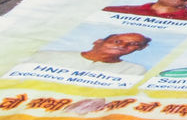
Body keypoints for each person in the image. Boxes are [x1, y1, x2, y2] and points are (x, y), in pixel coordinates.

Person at [21, 33, 151, 76]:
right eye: (117, 41)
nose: (122, 46)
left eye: (133, 44)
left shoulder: (133, 70)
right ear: (98, 42)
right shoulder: (46, 55)